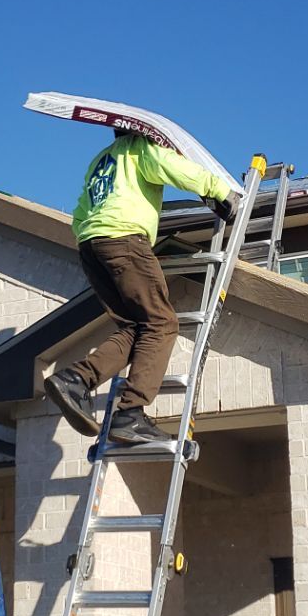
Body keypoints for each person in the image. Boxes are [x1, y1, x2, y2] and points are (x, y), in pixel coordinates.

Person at [45, 130, 239, 449]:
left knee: (136, 327)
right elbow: (177, 168)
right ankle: (130, 414)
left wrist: (94, 236)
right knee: (162, 323)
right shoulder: (140, 148)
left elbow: (81, 213)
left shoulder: (101, 160)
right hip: (125, 241)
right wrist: (220, 191)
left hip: (92, 246)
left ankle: (75, 380)